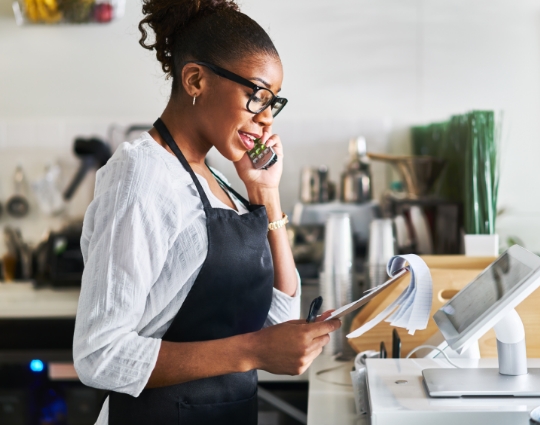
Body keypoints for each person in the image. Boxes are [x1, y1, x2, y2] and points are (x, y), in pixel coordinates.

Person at [73, 0, 341, 423]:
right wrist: (252, 351)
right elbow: (99, 355)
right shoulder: (141, 174)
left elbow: (278, 317)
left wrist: (265, 193)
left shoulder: (220, 181)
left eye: (274, 103)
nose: (267, 119)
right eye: (257, 97)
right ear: (196, 80)